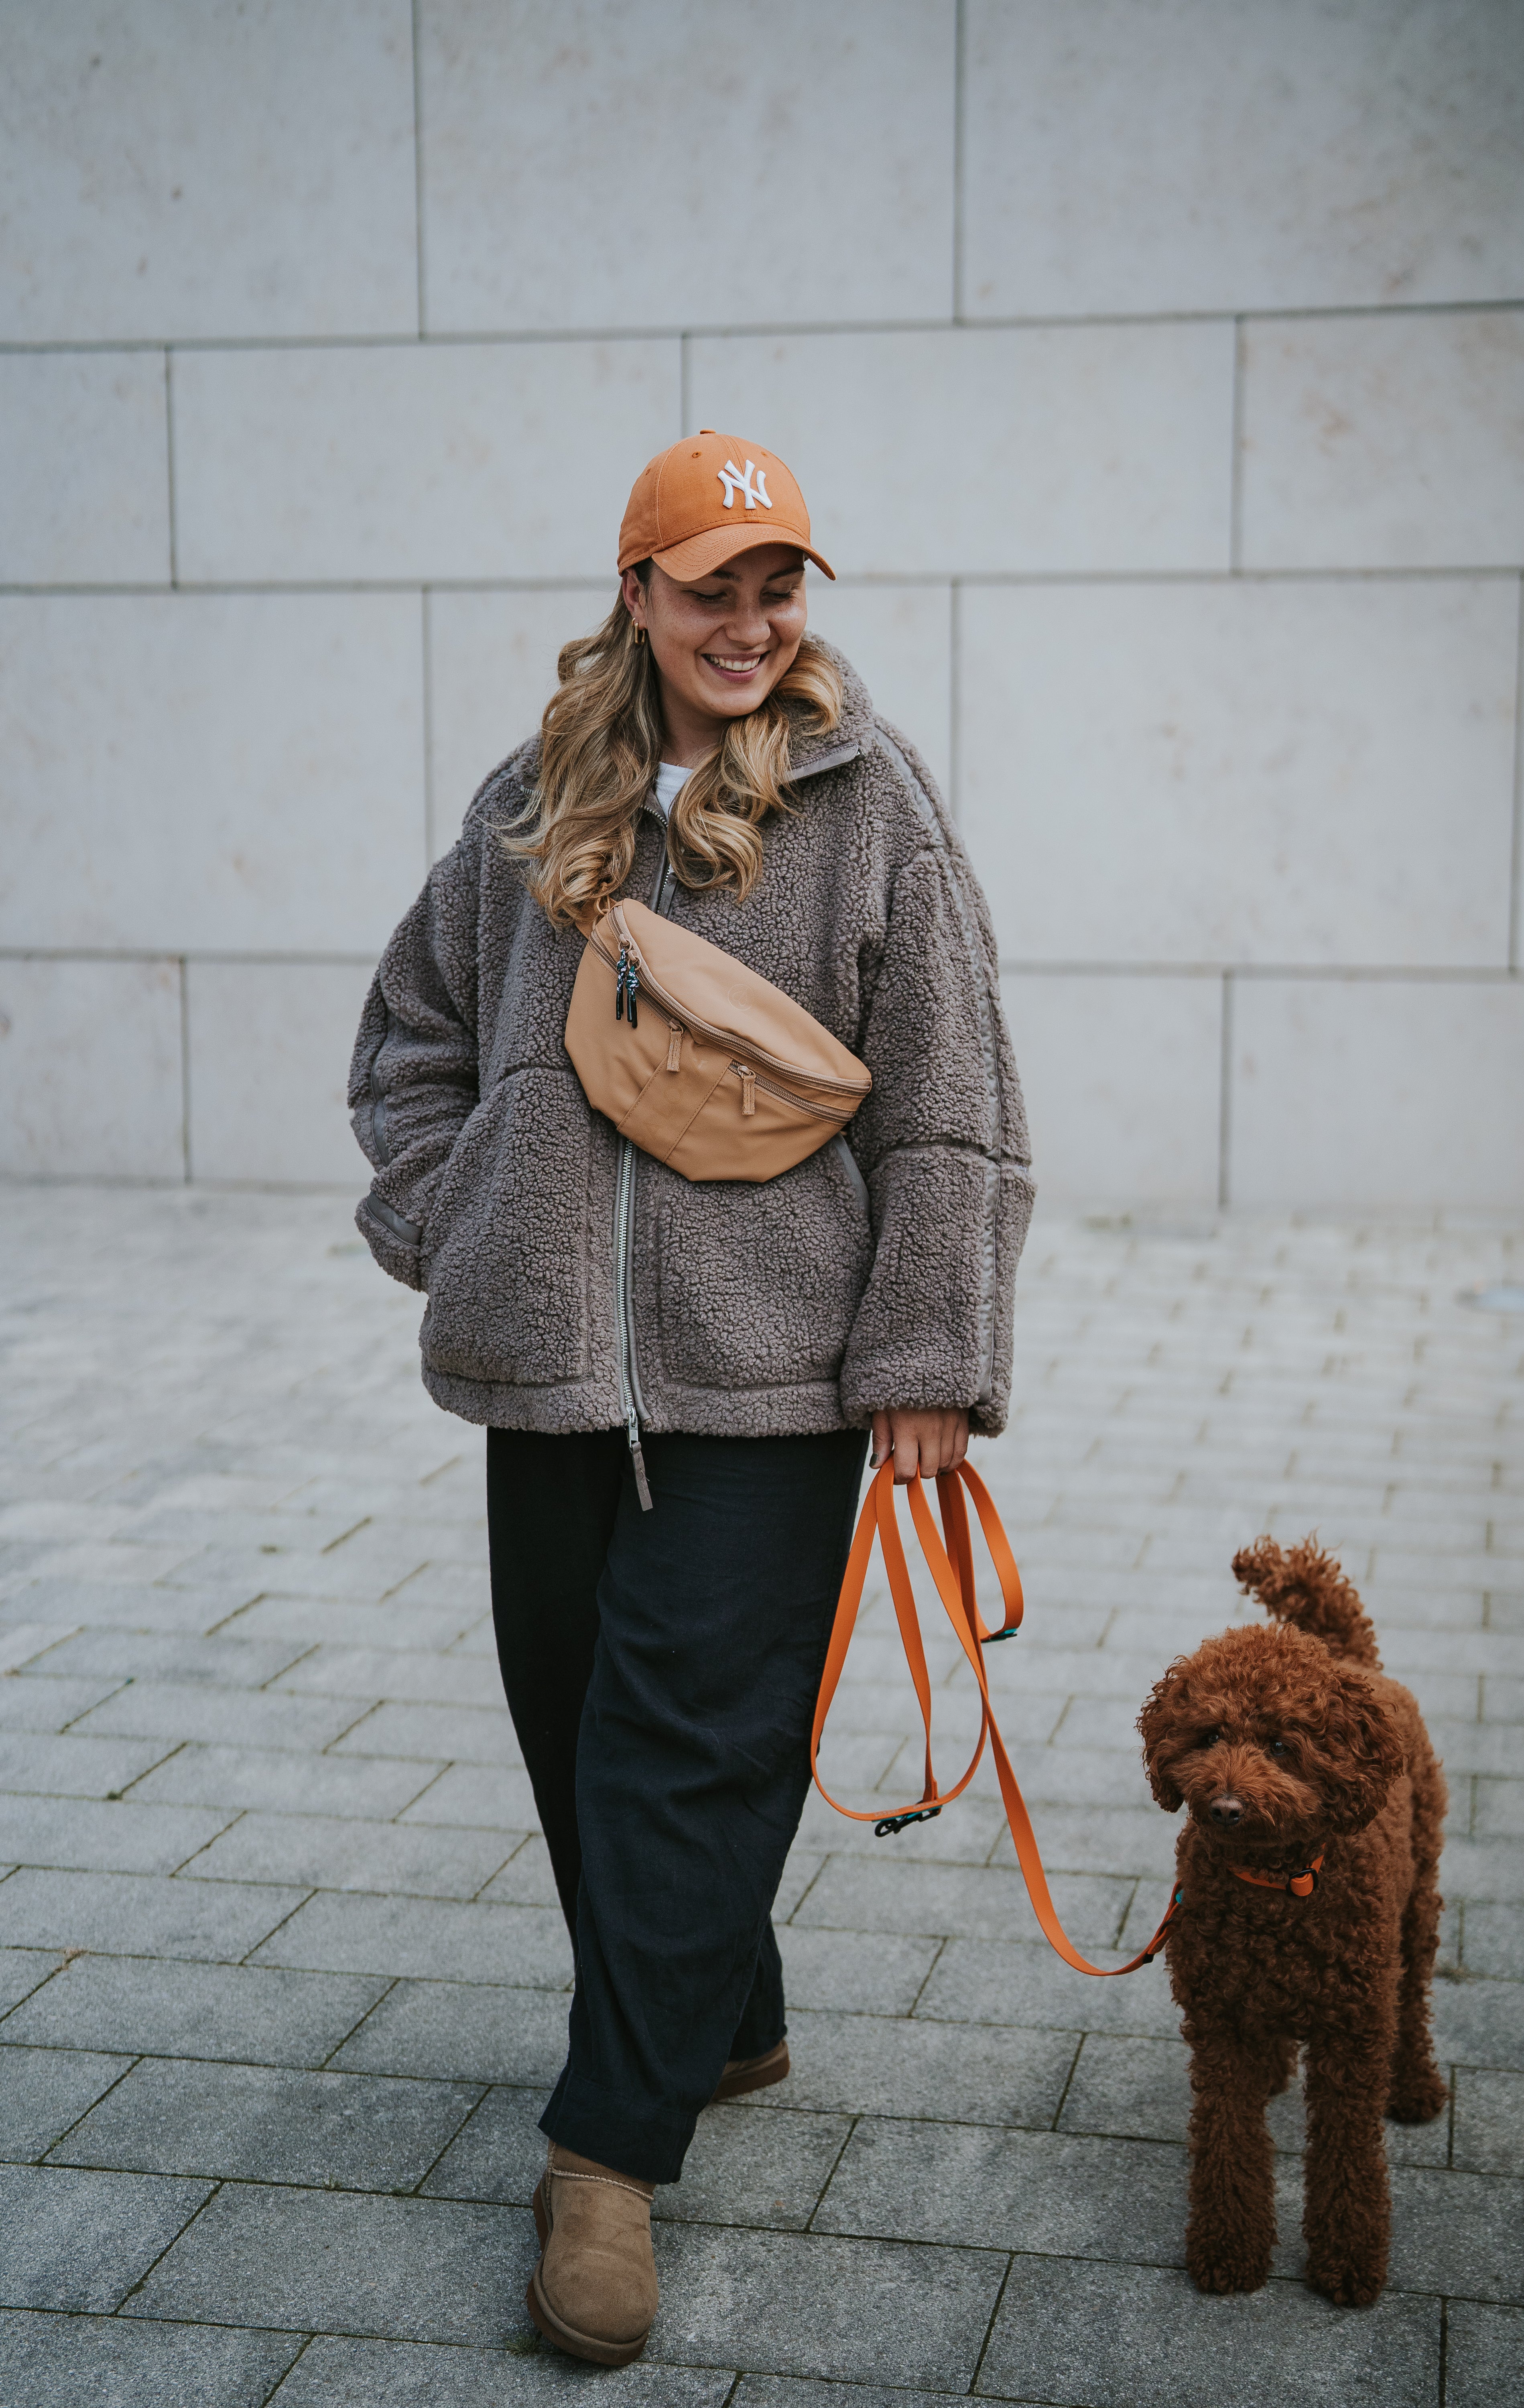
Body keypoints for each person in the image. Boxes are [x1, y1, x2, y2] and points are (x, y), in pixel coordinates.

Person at [348, 431, 1033, 2364]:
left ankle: (605, 2152)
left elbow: (956, 1104)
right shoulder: (526, 802)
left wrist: (925, 1366)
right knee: (580, 1737)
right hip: (545, 1374)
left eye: (779, 585)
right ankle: (723, 2019)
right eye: (711, 584)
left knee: (684, 1750)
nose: (750, 622)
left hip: (780, 1385)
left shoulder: (865, 802)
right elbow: (405, 1040)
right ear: (635, 593)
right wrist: (462, 1212)